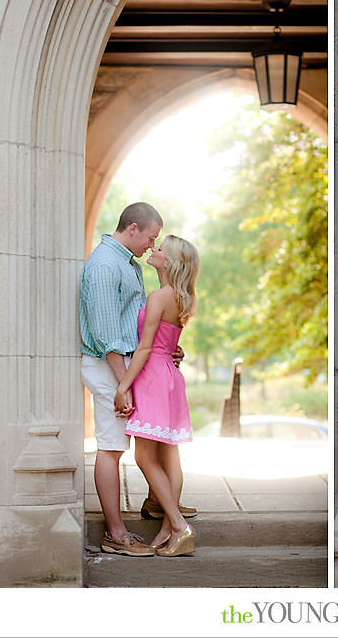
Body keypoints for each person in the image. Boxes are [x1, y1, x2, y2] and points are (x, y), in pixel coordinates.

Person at [79, 202, 193, 557]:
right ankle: (117, 533)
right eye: (150, 237)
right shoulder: (103, 266)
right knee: (112, 448)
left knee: (155, 448)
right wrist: (121, 385)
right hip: (112, 368)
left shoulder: (126, 263)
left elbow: (145, 325)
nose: (151, 246)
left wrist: (166, 350)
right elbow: (108, 333)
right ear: (132, 229)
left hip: (134, 368)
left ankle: (162, 511)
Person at [113, 235, 199, 556]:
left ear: (171, 262)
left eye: (161, 249)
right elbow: (167, 343)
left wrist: (123, 386)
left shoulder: (159, 296)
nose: (154, 249)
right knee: (170, 455)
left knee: (144, 456)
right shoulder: (182, 297)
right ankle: (167, 530)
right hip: (171, 378)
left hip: (152, 377)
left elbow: (146, 347)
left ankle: (178, 524)